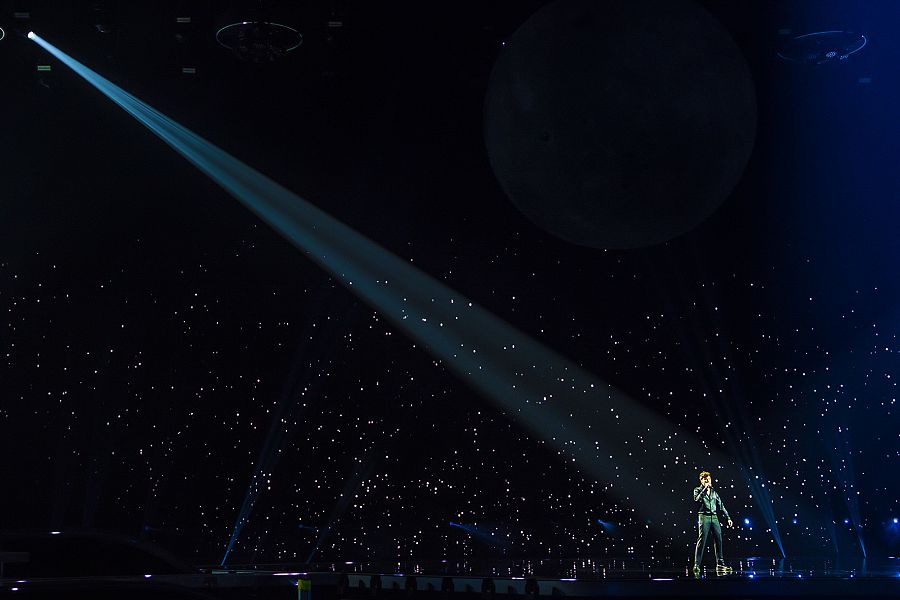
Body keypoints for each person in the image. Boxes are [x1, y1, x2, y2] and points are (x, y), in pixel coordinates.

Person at [692, 471, 733, 574]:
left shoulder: (714, 492)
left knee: (718, 539)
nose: (707, 481)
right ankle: (697, 565)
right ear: (701, 480)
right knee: (702, 540)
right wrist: (705, 489)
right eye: (705, 479)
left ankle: (720, 564)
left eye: (709, 479)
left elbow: (721, 505)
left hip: (714, 517)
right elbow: (696, 499)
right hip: (704, 516)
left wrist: (728, 517)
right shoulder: (697, 490)